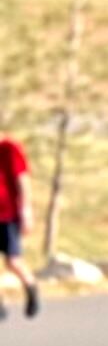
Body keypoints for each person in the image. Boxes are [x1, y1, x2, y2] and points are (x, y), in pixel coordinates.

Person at [0, 125, 31, 318]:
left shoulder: (10, 148)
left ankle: (31, 287)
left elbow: (23, 180)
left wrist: (26, 209)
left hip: (8, 215)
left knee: (13, 261)